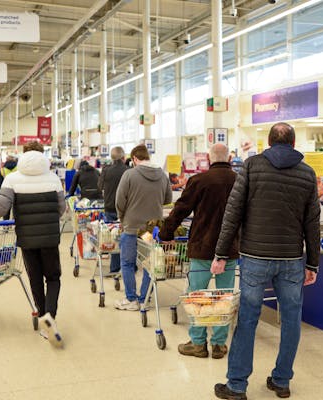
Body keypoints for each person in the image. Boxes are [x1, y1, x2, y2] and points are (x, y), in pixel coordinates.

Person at [211, 122, 320, 400]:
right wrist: (313, 264)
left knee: (247, 318)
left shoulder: (251, 166)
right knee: (292, 320)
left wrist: (221, 254)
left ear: (269, 142)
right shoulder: (308, 174)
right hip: (292, 260)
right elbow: (312, 223)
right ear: (294, 144)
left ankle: (236, 386)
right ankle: (282, 381)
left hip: (255, 258)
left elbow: (232, 213)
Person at [0, 141, 66, 348]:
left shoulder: (12, 178)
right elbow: (61, 208)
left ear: (23, 154)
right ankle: (50, 318)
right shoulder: (53, 178)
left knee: (35, 279)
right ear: (42, 155)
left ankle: (45, 319)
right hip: (50, 238)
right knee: (53, 278)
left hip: (26, 238)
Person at [159, 143, 239, 359]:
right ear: (230, 157)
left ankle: (198, 343)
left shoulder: (199, 181)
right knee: (224, 296)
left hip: (202, 248)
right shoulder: (240, 180)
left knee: (198, 296)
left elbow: (180, 209)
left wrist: (166, 233)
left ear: (208, 158)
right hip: (230, 250)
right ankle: (220, 345)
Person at [114, 145, 172, 311]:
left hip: (131, 227)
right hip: (152, 230)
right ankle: (145, 297)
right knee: (150, 264)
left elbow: (120, 200)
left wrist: (122, 217)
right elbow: (167, 198)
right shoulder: (162, 175)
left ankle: (131, 299)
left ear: (134, 159)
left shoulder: (129, 174)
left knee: (127, 263)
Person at [98, 146, 128, 274]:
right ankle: (127, 266)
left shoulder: (106, 170)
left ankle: (114, 268)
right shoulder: (128, 170)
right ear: (123, 157)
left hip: (110, 207)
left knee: (113, 238)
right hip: (125, 209)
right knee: (127, 238)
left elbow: (99, 186)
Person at [0, 155, 18, 220]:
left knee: (6, 208)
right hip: (17, 190)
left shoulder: (3, 169)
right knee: (15, 207)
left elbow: (1, 181)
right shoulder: (18, 168)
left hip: (6, 190)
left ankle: (6, 226)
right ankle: (14, 222)